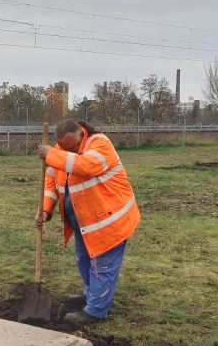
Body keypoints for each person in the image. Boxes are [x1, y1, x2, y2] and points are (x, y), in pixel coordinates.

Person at [35, 119, 140, 327]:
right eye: (64, 148)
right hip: (85, 222)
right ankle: (90, 294)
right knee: (83, 260)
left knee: (102, 266)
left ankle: (95, 310)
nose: (69, 151)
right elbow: (51, 180)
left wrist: (52, 155)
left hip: (109, 222)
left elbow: (86, 166)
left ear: (81, 134)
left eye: (72, 146)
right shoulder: (60, 150)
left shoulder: (100, 143)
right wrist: (45, 209)